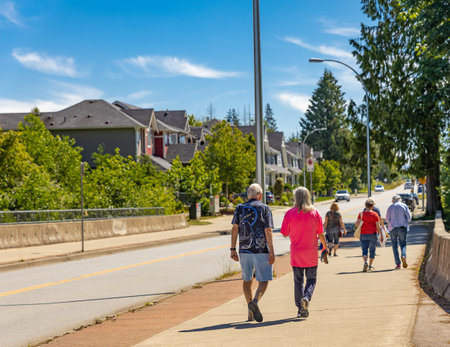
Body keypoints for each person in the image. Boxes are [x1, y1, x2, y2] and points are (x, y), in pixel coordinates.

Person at [280, 187, 328, 318]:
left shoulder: (289, 213)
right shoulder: (315, 213)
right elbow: (320, 233)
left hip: (296, 253)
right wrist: (325, 246)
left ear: (296, 198)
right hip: (311, 252)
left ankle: (300, 308)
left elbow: (284, 233)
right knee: (311, 279)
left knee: (298, 281)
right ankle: (306, 297)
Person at [230, 183, 275, 323]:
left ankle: (250, 311)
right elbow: (268, 230)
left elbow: (234, 229)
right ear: (260, 195)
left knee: (247, 279)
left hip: (244, 250)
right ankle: (255, 301)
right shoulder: (265, 208)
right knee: (264, 280)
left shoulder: (239, 208)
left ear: (248, 195)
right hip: (261, 249)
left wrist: (232, 249)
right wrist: (272, 251)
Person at [355, 199, 383, 272]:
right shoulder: (375, 214)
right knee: (372, 250)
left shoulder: (361, 214)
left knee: (364, 250)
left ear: (365, 206)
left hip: (363, 234)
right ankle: (370, 265)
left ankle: (365, 262)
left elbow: (357, 224)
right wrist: (381, 235)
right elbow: (378, 226)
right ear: (372, 206)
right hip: (373, 234)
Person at [386, 195, 411, 269]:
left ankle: (398, 264)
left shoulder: (390, 207)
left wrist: (390, 223)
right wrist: (406, 221)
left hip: (393, 228)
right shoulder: (404, 206)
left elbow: (387, 219)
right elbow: (409, 218)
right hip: (402, 227)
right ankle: (403, 256)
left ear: (393, 200)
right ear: (400, 200)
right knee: (403, 244)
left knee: (394, 245)